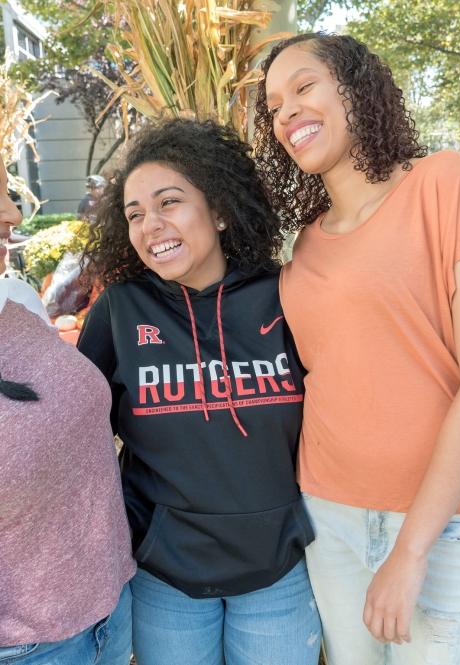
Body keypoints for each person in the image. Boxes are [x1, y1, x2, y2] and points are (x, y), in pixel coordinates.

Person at [253, 32, 460, 665]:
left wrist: (411, 548)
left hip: (446, 523)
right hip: (329, 516)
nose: (287, 114)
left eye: (303, 87)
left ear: (355, 88)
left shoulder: (444, 182)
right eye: (275, 107)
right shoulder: (301, 248)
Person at [76, 117, 322, 665]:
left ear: (220, 209)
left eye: (170, 202)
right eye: (135, 213)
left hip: (278, 569)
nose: (149, 225)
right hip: (166, 577)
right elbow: (74, 436)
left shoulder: (283, 295)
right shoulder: (120, 310)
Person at [0, 153, 136, 663]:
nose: (12, 214)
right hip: (27, 648)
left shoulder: (17, 300)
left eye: (9, 191)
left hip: (112, 610)